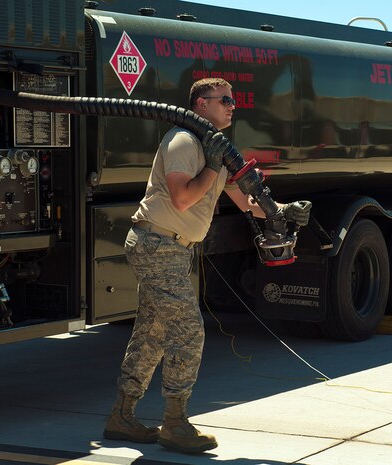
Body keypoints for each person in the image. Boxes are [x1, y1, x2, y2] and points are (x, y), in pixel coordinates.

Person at [103, 78, 312, 454]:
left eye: (233, 101)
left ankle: (122, 416)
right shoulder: (184, 141)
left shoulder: (214, 147)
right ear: (201, 104)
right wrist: (214, 165)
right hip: (158, 244)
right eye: (225, 100)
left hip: (171, 248)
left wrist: (282, 211)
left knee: (151, 333)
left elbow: (244, 200)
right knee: (188, 331)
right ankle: (175, 423)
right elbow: (183, 199)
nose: (233, 106)